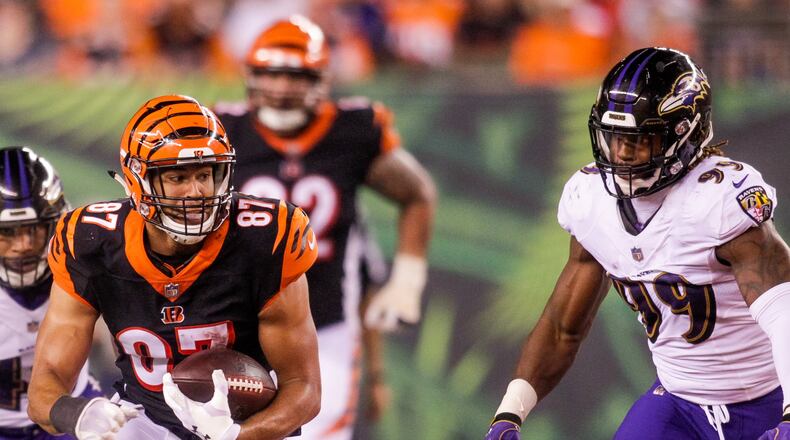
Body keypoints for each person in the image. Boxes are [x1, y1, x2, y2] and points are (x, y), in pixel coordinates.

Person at [484, 47, 790, 440]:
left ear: (686, 135)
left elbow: (783, 312)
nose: (623, 154)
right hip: (678, 402)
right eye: (615, 138)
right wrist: (509, 413)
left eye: (641, 140)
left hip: (768, 397)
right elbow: (563, 327)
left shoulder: (717, 201)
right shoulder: (592, 201)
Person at [27, 95, 321, 440]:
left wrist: (236, 435)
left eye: (205, 174)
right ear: (138, 181)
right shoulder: (91, 242)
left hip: (247, 422)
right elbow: (45, 385)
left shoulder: (265, 238)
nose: (196, 192)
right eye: (178, 177)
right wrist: (78, 413)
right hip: (143, 419)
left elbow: (304, 388)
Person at [214, 15, 436, 439]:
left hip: (324, 323)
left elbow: (418, 193)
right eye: (271, 74)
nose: (282, 88)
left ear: (321, 79)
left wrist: (408, 279)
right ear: (251, 75)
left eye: (296, 76)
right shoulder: (224, 132)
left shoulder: (349, 131)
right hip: (238, 320)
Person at [0, 146, 102, 440]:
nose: (24, 245)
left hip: (73, 413)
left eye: (34, 229)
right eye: (7, 232)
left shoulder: (80, 268)